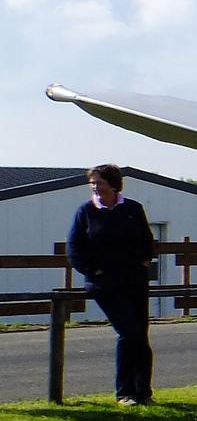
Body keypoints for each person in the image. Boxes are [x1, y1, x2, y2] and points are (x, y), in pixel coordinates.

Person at [67, 164, 157, 405]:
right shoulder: (85, 211)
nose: (95, 187)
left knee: (140, 335)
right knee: (128, 332)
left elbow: (147, 240)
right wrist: (92, 269)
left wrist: (145, 261)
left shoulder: (133, 209)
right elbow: (74, 247)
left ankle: (143, 391)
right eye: (92, 183)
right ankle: (125, 392)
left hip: (134, 281)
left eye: (100, 182)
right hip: (104, 283)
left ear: (113, 184)